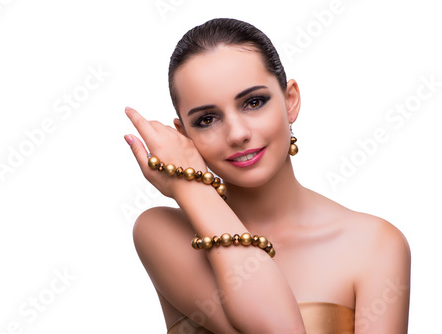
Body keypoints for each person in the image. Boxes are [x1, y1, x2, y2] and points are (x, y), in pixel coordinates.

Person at [124, 18, 410, 333]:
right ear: (184, 136)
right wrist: (190, 187)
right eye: (207, 119)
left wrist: (193, 187)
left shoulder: (375, 245)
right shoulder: (163, 232)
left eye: (253, 102)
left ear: (290, 101)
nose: (237, 133)